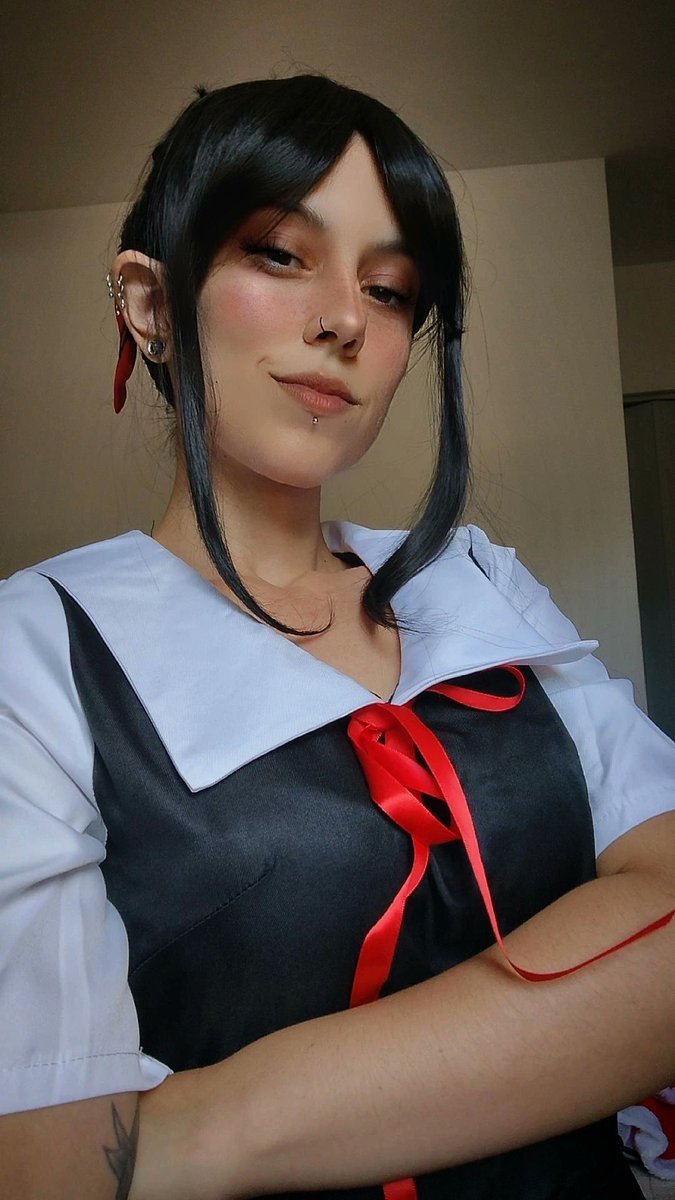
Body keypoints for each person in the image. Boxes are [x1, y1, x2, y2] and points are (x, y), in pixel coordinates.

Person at [1, 73, 674, 1200]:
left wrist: (194, 1131)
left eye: (391, 288)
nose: (345, 320)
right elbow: (51, 1161)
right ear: (149, 303)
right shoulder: (34, 650)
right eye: (278, 253)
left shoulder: (477, 580)